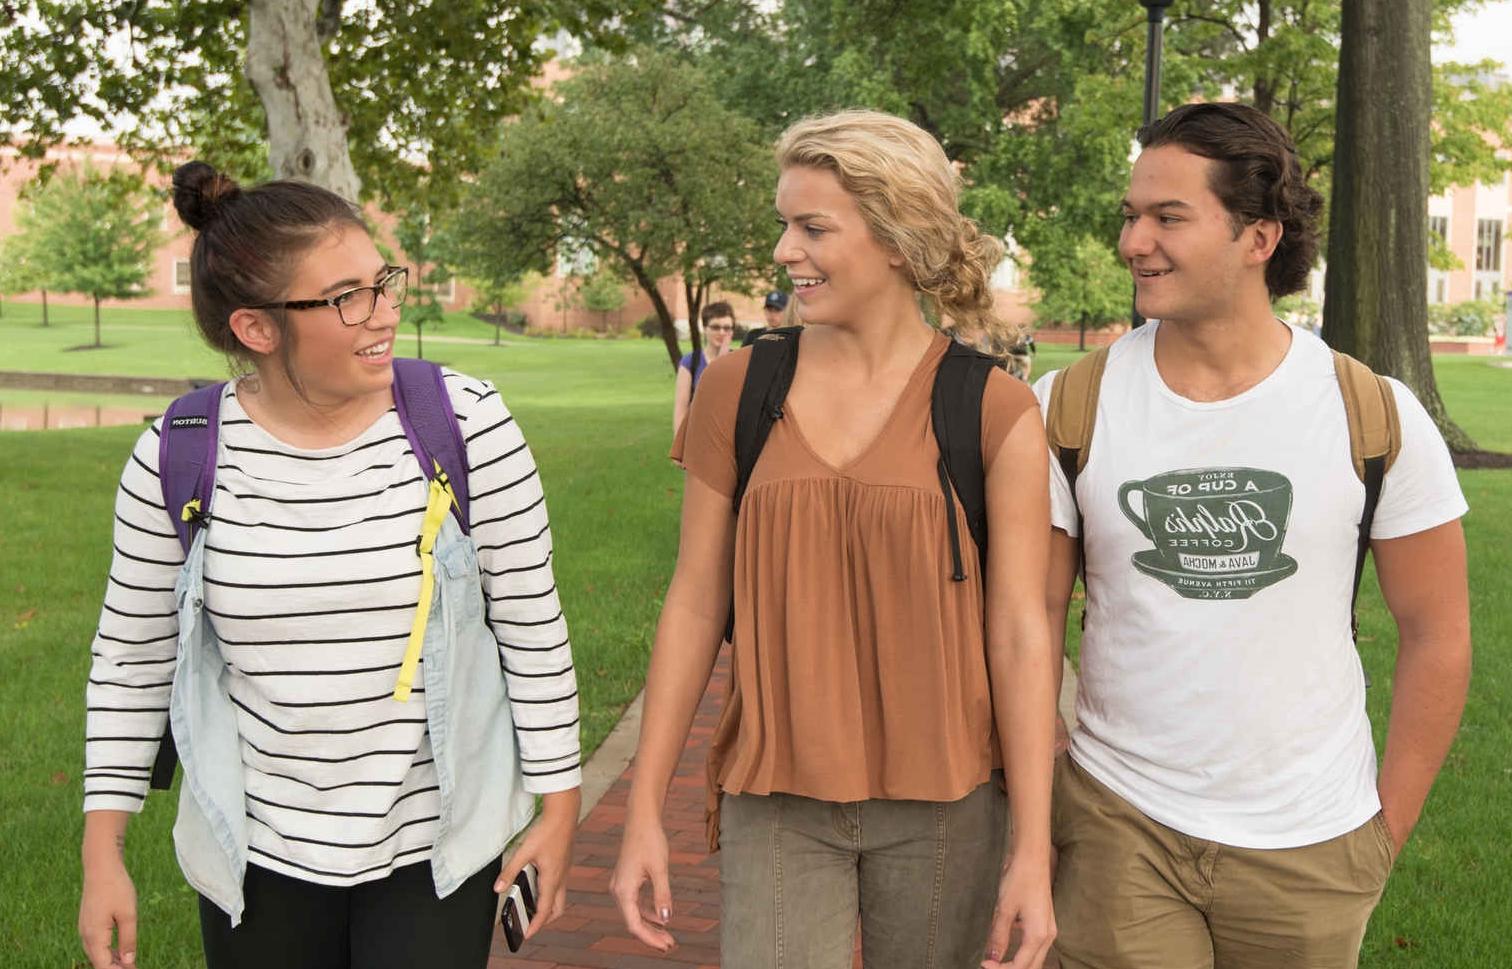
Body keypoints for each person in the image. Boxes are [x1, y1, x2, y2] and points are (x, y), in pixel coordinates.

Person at [77, 162, 583, 969]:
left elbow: (529, 619)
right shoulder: (178, 454)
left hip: (435, 846)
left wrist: (560, 808)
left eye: (382, 281)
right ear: (257, 329)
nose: (386, 311)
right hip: (253, 851)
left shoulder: (464, 423)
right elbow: (132, 659)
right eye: (349, 297)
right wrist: (103, 853)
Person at [610, 110, 1058, 969]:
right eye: (785, 224)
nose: (784, 250)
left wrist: (1031, 852)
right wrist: (640, 808)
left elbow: (1020, 634)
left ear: (896, 239)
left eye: (812, 227)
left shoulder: (994, 411)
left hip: (947, 807)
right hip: (775, 799)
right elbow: (696, 601)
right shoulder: (741, 386)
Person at [1037, 102, 1472, 969]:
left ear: (1258, 237)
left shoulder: (1373, 413)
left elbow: (1437, 633)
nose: (1133, 241)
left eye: (1168, 217)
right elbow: (1029, 620)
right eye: (1130, 214)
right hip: (1121, 827)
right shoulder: (1065, 406)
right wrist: (1053, 781)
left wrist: (1385, 826)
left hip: (1312, 838)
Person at [674, 301, 738, 444]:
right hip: (698, 438)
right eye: (715, 327)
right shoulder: (691, 362)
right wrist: (679, 446)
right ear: (705, 328)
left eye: (727, 328)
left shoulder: (739, 361)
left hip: (729, 441)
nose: (722, 333)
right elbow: (681, 408)